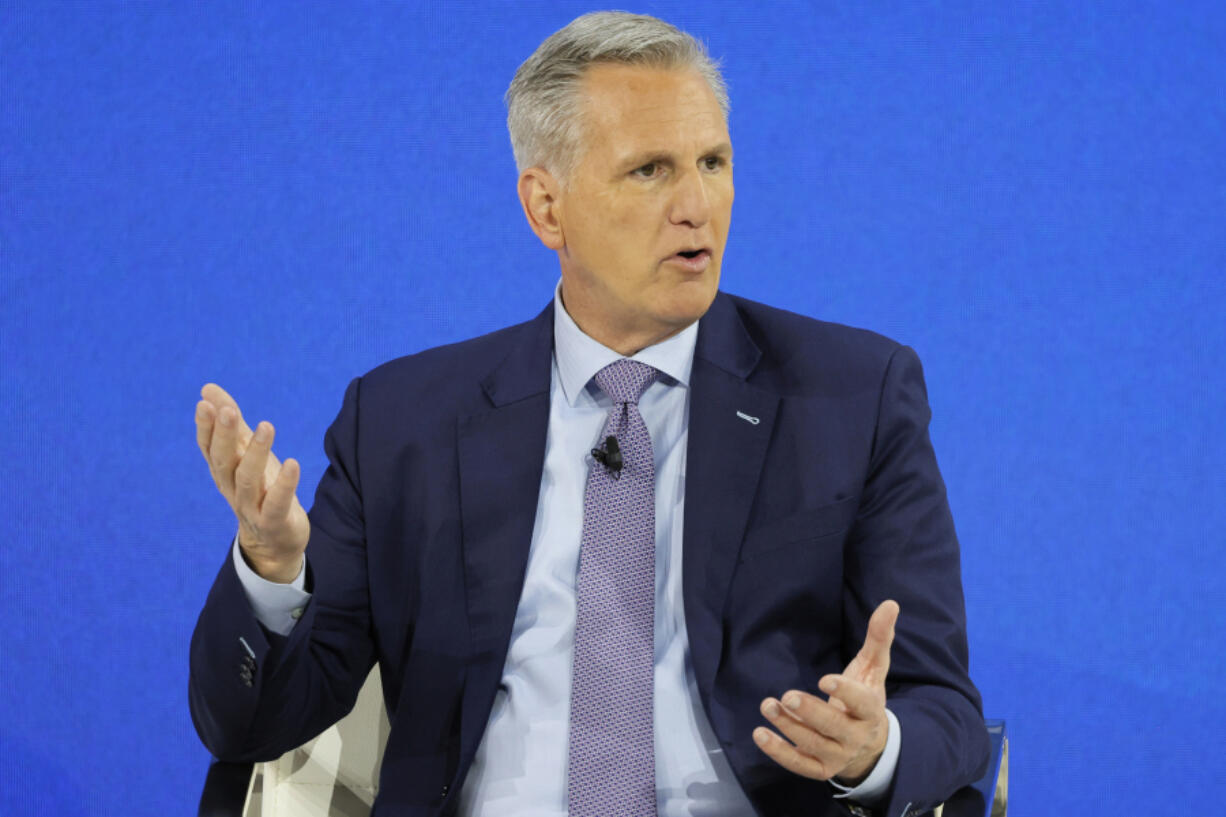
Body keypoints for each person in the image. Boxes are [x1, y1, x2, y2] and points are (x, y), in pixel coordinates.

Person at [190, 11, 988, 817]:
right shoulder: (401, 423)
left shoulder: (853, 395)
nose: (696, 205)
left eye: (713, 162)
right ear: (547, 208)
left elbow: (943, 708)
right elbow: (253, 725)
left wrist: (873, 749)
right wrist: (271, 571)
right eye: (649, 171)